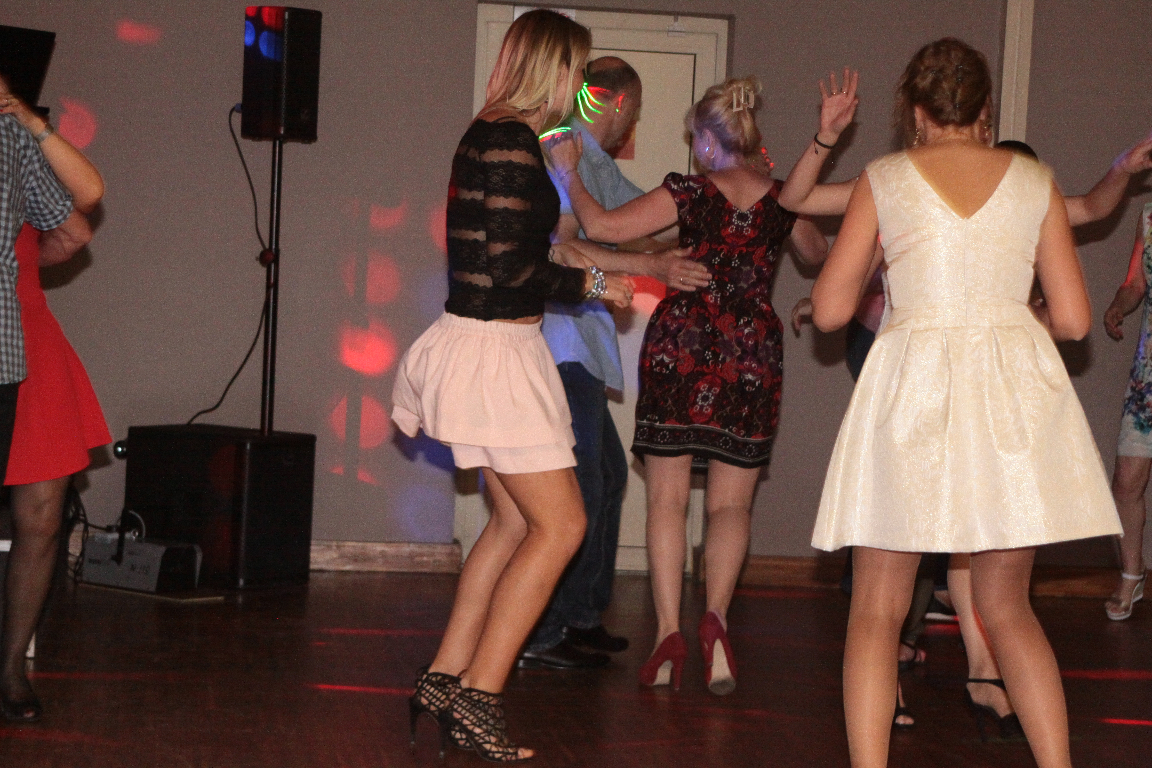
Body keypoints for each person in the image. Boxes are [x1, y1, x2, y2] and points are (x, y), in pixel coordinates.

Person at [785, 81, 1152, 737]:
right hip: (971, 387)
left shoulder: (891, 179)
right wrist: (825, 138)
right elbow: (796, 200)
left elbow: (1094, 208)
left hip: (921, 385)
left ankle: (967, 681)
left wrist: (1122, 168)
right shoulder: (1012, 184)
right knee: (994, 597)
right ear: (983, 114)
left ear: (918, 112)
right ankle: (964, 693)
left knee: (886, 600)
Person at [391, 10, 633, 762]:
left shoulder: (488, 132)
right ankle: (480, 698)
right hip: (495, 356)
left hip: (490, 349)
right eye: (576, 72)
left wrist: (595, 273)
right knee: (561, 527)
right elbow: (512, 270)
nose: (580, 88)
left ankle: (445, 678)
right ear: (552, 69)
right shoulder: (511, 141)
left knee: (508, 526)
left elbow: (510, 256)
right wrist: (595, 283)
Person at [547, 75, 839, 695]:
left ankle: (667, 635)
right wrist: (784, 193)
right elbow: (816, 254)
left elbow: (602, 226)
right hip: (750, 354)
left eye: (694, 139)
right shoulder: (783, 197)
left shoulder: (688, 191)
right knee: (732, 505)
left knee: (667, 501)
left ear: (708, 140)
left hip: (681, 347)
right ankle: (717, 621)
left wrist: (570, 173)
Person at [520, 56, 711, 670]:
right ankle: (545, 629)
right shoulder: (565, 149)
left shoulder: (594, 163)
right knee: (582, 484)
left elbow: (641, 227)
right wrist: (654, 264)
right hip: (561, 342)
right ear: (623, 103)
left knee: (606, 475)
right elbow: (565, 242)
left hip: (581, 344)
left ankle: (579, 616)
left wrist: (719, 211)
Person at [0, 87, 93, 723]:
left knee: (41, 513)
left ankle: (10, 667)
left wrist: (22, 272)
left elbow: (78, 221)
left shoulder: (13, 141)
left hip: (24, 337)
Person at [1102, 201, 1152, 621]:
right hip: (1148, 375)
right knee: (1126, 481)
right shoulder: (1149, 216)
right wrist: (1120, 303)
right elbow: (1136, 282)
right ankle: (1132, 575)